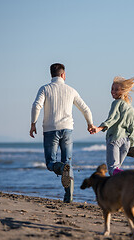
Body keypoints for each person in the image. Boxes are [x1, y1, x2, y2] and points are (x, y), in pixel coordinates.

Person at [30, 63, 94, 203]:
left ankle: (60, 168)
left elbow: (36, 105)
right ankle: (69, 196)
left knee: (51, 163)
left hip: (50, 130)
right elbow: (85, 108)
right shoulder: (71, 90)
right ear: (63, 75)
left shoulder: (45, 89)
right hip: (67, 130)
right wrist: (90, 124)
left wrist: (33, 123)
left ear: (51, 74)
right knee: (68, 163)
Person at [91, 75, 134, 176]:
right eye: (112, 89)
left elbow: (113, 118)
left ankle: (131, 177)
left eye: (116, 90)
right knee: (117, 169)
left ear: (123, 91)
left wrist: (99, 128)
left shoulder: (116, 103)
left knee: (113, 170)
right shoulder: (129, 107)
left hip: (114, 138)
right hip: (125, 141)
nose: (113, 91)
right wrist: (131, 141)